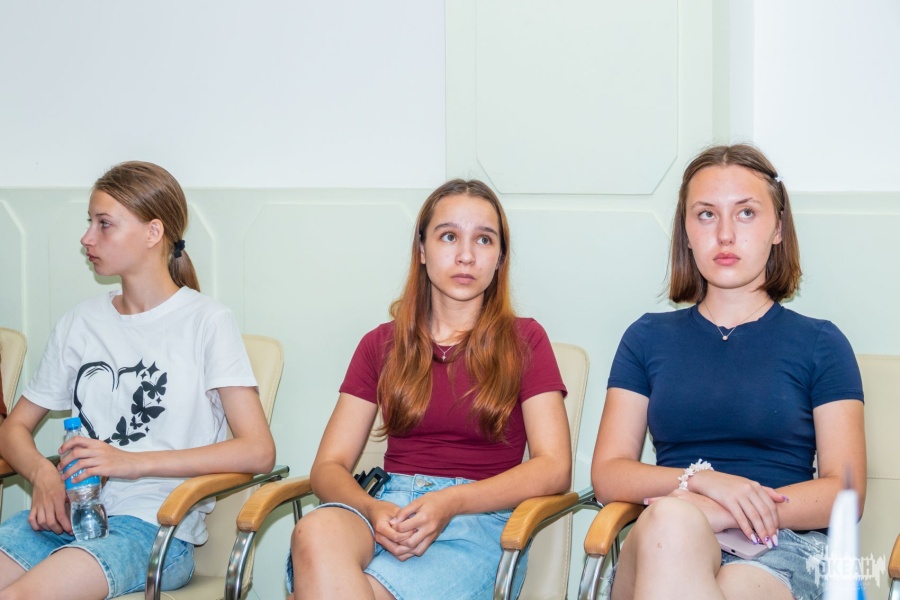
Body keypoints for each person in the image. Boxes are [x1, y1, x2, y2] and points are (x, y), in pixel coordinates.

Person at [591, 144, 865, 600]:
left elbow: (845, 492)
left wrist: (731, 510)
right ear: (686, 231)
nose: (724, 234)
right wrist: (701, 482)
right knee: (673, 521)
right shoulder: (646, 338)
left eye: (746, 213)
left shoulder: (821, 343)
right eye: (705, 215)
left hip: (781, 543)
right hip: (665, 536)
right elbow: (609, 473)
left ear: (778, 228)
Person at [0, 161, 276, 599]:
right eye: (90, 222)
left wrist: (130, 462)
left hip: (156, 530)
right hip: (71, 517)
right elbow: (13, 428)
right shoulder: (80, 322)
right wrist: (42, 474)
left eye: (104, 224)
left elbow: (258, 451)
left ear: (153, 233)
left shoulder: (207, 322)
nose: (87, 238)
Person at [288, 179, 571, 600]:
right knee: (315, 530)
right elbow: (328, 466)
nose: (466, 255)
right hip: (386, 509)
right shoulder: (380, 344)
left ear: (500, 258)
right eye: (449, 236)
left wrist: (452, 501)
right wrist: (370, 507)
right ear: (421, 249)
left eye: (484, 239)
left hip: (477, 520)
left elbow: (554, 467)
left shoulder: (525, 340)